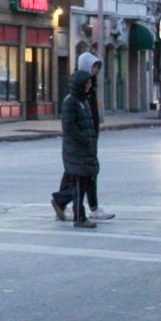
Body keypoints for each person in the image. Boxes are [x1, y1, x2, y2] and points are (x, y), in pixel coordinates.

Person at [51, 51, 115, 222]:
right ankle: (74, 207)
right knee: (81, 176)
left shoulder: (89, 87)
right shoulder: (75, 94)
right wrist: (84, 138)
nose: (96, 70)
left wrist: (92, 134)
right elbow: (70, 125)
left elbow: (91, 115)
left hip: (88, 139)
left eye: (98, 67)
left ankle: (68, 205)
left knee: (84, 175)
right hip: (80, 143)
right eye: (94, 66)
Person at [51, 68, 99, 229]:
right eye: (87, 83)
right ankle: (79, 217)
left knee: (82, 184)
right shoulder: (70, 102)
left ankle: (60, 200)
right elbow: (69, 127)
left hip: (85, 149)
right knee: (79, 184)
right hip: (76, 150)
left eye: (90, 83)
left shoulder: (83, 100)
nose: (89, 86)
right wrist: (84, 140)